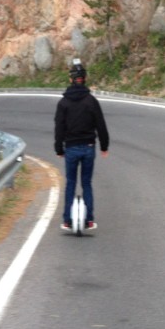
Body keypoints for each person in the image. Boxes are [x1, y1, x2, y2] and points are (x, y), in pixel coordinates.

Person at [54, 59, 109, 231]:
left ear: (71, 79)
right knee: (86, 183)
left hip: (70, 148)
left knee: (70, 182)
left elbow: (59, 128)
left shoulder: (63, 103)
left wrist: (59, 149)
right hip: (89, 147)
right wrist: (104, 146)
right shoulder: (91, 101)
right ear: (84, 79)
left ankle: (68, 220)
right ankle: (89, 220)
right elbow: (101, 124)